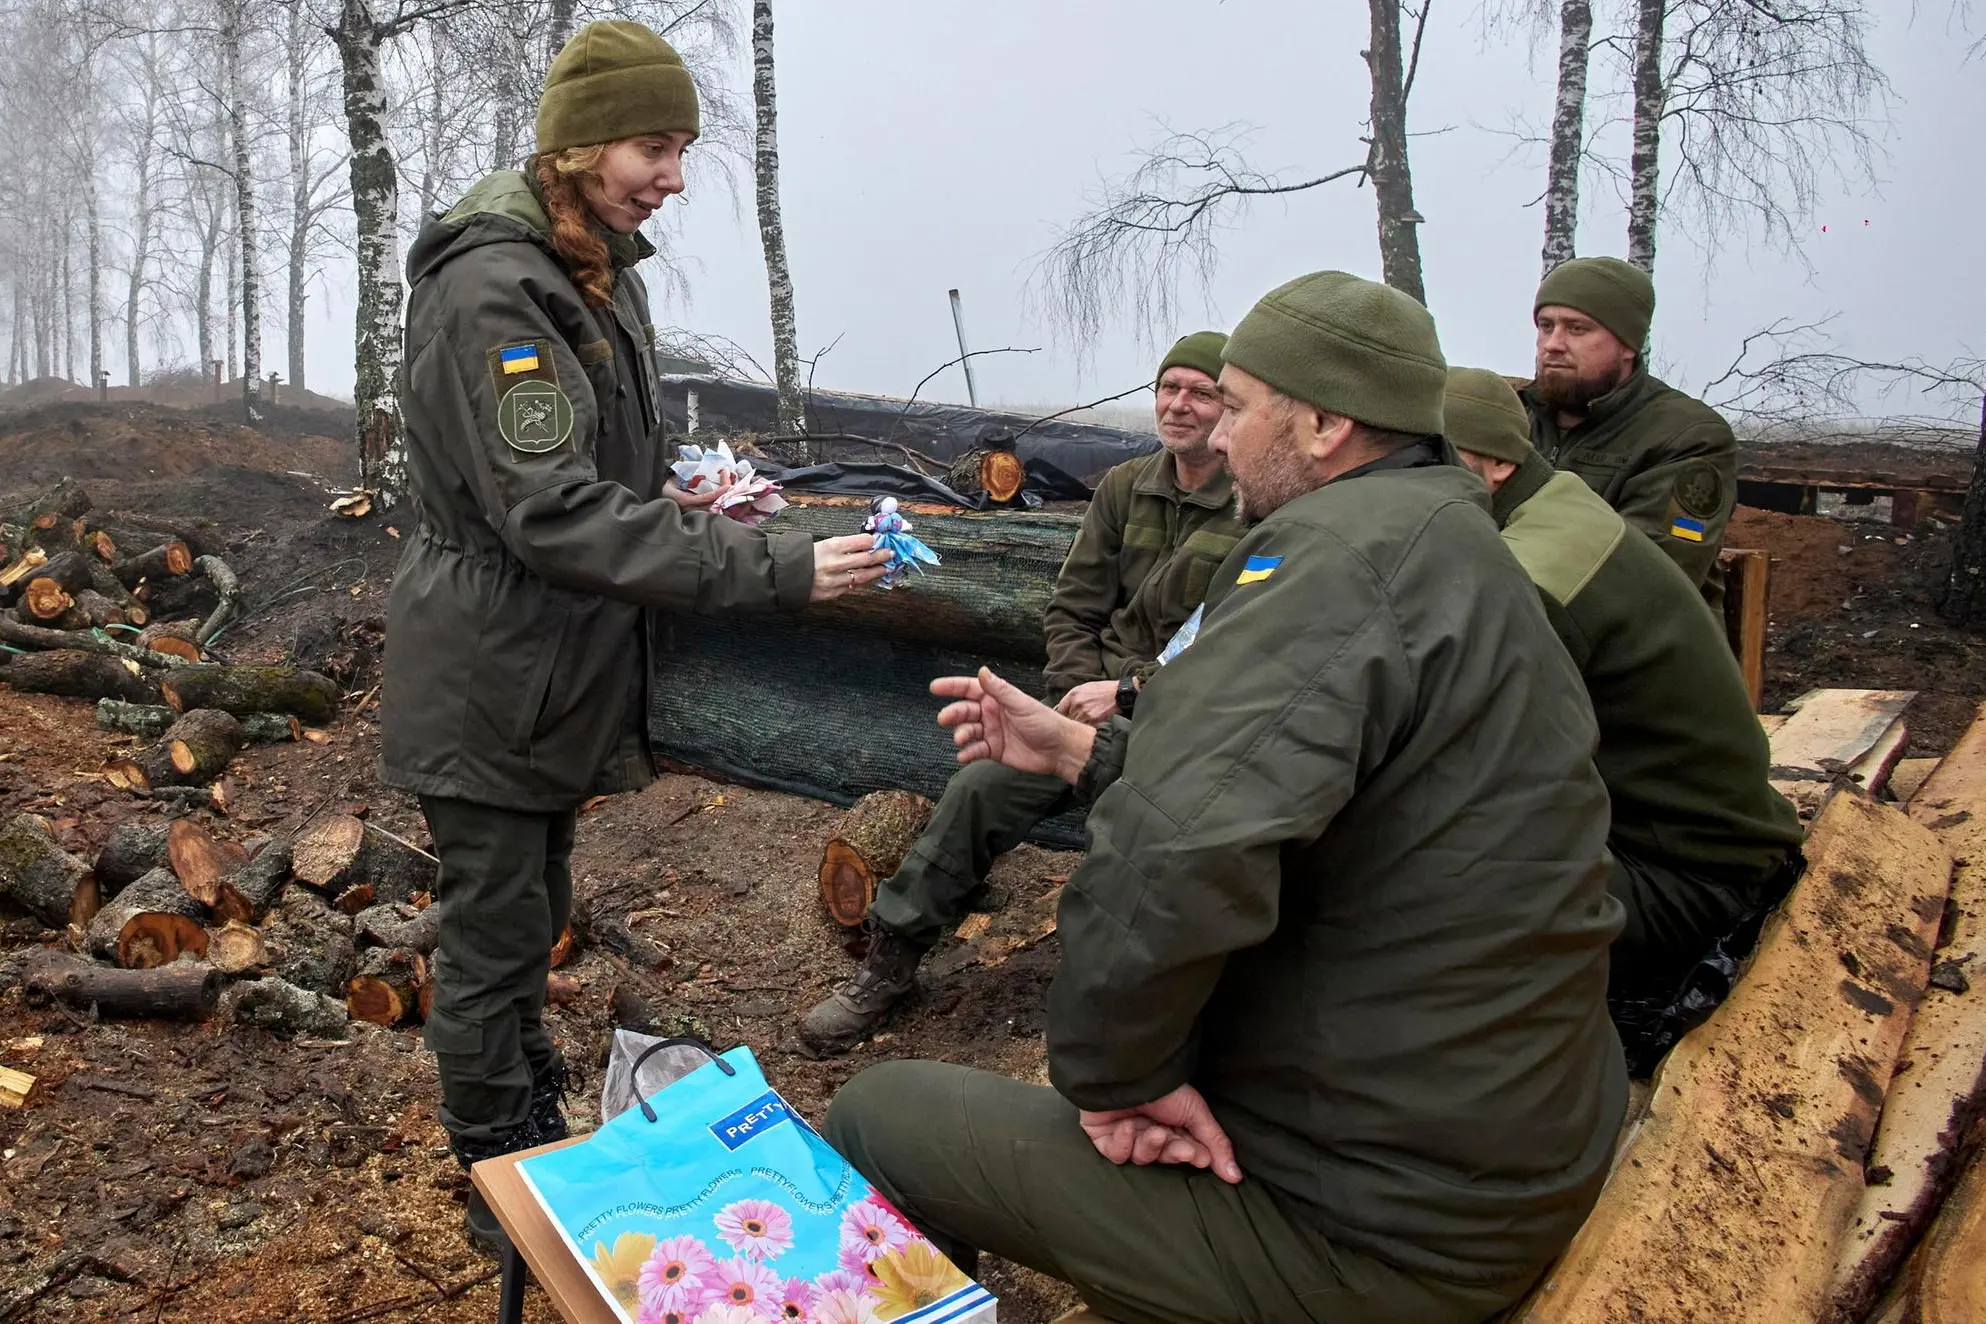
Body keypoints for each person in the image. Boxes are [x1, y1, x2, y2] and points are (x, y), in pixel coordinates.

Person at [824, 274, 1627, 1324]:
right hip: (1499, 1138)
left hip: (1382, 1233)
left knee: (879, 1116)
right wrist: (1085, 752)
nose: (1221, 435)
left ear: (1328, 424)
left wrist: (1117, 1076)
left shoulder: (1331, 562)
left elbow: (1175, 854)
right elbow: (1323, 796)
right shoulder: (1446, 540)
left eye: (1239, 407)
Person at [378, 19, 891, 1253]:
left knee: (529, 905)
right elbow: (550, 512)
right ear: (578, 146)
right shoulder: (502, 287)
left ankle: (528, 1126)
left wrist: (681, 495)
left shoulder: (591, 266)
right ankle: (504, 1187)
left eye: (682, 149)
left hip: (541, 663)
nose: (672, 174)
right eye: (654, 147)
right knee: (495, 936)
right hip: (494, 667)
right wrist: (771, 564)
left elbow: (588, 470)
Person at [799, 332, 1241, 1055]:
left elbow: (1232, 643)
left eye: (1201, 392)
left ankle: (1135, 1012)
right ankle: (890, 965)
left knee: (1135, 838)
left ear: (1230, 407)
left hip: (1182, 721)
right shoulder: (1126, 489)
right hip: (1084, 705)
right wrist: (1070, 701)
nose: (1179, 405)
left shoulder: (1254, 509)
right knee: (978, 790)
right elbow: (1072, 611)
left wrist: (1130, 694)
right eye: (1170, 388)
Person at [1447, 367, 1804, 1062]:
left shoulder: (1535, 577)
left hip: (1690, 884)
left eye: (1429, 460)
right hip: (1684, 845)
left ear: (1493, 463)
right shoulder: (1550, 504)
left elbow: (1436, 744)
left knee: (1419, 877)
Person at [1522, 256, 1740, 608]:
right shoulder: (1514, 419)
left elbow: (1647, 578)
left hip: (1629, 653)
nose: (1553, 344)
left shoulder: (1688, 437)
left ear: (1628, 345)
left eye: (1577, 329)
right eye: (1546, 326)